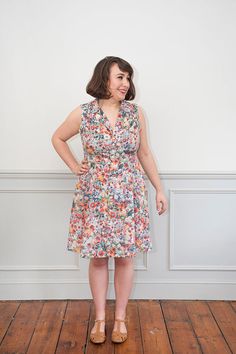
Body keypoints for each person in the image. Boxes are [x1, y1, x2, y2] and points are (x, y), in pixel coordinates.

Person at [51, 56, 168, 344]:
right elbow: (57, 138)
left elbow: (145, 154)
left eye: (128, 78)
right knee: (99, 259)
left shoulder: (135, 113)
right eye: (120, 77)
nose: (126, 83)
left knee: (126, 259)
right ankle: (100, 319)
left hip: (128, 195)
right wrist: (74, 165)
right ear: (104, 78)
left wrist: (159, 189)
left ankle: (120, 320)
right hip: (95, 195)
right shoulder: (84, 113)